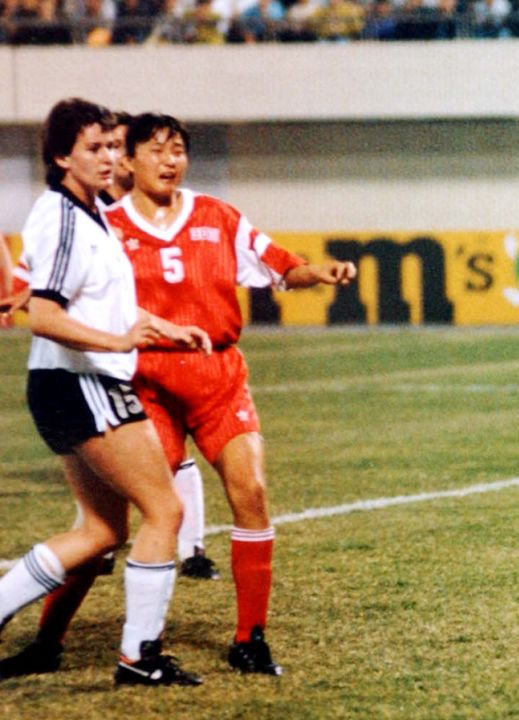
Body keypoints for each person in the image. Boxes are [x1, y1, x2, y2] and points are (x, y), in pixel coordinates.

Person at [104, 112, 355, 676]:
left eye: (179, 150)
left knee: (253, 491)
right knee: (155, 515)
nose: (171, 160)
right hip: (146, 382)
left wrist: (321, 272)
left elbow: (280, 266)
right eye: (158, 149)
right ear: (129, 160)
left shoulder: (218, 217)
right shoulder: (107, 227)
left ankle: (250, 638)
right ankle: (145, 644)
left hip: (218, 377)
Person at [0, 98, 210, 687]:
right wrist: (119, 343)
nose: (110, 157)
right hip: (80, 382)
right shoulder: (63, 215)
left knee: (100, 532)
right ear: (61, 155)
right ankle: (139, 658)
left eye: (114, 146)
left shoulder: (91, 212)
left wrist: (160, 327)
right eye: (95, 147)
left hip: (72, 383)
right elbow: (42, 315)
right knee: (165, 510)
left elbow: (100, 301)